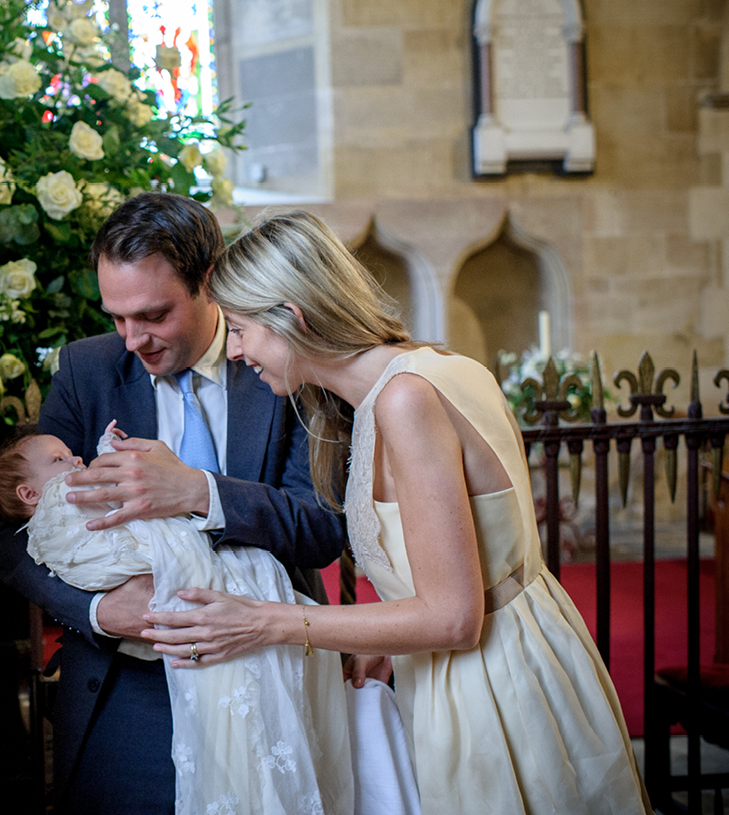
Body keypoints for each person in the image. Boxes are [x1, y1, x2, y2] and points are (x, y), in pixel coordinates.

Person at [142, 211, 652, 815]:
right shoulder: (426, 369)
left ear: (293, 319)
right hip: (511, 657)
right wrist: (391, 636)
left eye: (245, 328)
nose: (235, 349)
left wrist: (263, 621)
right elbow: (475, 569)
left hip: (487, 685)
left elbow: (455, 618)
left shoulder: (406, 400)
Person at [0, 193, 349, 815]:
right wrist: (102, 609)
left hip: (267, 668)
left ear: (209, 282)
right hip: (129, 681)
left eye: (152, 315)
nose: (132, 339)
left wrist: (199, 491)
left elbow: (319, 529)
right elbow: (13, 531)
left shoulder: (280, 361)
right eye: (118, 317)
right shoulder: (87, 370)